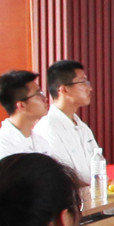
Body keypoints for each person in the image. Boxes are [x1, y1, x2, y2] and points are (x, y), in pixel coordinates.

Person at [33, 59, 107, 190]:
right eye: (82, 82)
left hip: (94, 197)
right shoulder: (48, 128)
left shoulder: (82, 127)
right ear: (64, 90)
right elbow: (63, 176)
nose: (89, 88)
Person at [0, 68, 53, 178]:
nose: (45, 98)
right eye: (38, 94)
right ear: (21, 106)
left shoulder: (41, 142)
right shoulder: (0, 148)